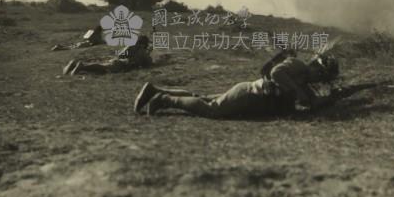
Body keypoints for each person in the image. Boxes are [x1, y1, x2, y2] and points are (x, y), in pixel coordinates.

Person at [133, 50, 342, 119]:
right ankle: (164, 100)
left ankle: (155, 90)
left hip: (249, 95)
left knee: (203, 97)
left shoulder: (304, 79)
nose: (319, 78)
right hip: (250, 94)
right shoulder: (298, 66)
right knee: (212, 110)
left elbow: (312, 102)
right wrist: (296, 91)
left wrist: (331, 98)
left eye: (323, 78)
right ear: (316, 65)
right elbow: (276, 71)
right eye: (320, 73)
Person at [63, 35, 152, 75]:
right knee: (103, 68)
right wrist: (148, 53)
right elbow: (149, 63)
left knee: (100, 68)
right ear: (144, 44)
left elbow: (121, 54)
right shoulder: (142, 51)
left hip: (117, 61)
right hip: (122, 64)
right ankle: (82, 66)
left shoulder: (132, 46)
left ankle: (74, 65)